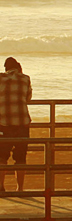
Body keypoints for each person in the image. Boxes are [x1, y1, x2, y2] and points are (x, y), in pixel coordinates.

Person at [0, 58, 31, 192]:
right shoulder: (25, 78)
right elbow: (28, 98)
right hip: (22, 123)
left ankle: (1, 186)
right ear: (19, 67)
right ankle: (20, 188)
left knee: (1, 157)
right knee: (20, 158)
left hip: (3, 124)